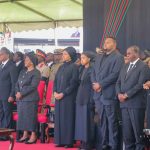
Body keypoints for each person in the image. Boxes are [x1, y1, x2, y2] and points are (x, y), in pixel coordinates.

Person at [91, 37, 124, 150]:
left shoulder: (118, 57)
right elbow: (93, 71)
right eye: (105, 42)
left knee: (112, 121)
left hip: (109, 94)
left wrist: (100, 84)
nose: (105, 44)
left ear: (114, 44)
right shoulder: (99, 56)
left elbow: (115, 74)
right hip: (98, 95)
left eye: (108, 42)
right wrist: (95, 83)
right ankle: (104, 144)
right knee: (102, 121)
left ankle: (113, 145)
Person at [116, 46, 149, 150]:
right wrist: (119, 94)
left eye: (129, 53)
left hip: (136, 104)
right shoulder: (125, 66)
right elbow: (118, 82)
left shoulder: (143, 66)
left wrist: (126, 95)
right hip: (124, 104)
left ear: (136, 53)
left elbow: (140, 84)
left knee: (137, 131)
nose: (127, 55)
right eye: (127, 53)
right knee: (127, 132)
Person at [54, 47, 79, 148]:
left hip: (68, 97)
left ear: (70, 55)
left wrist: (63, 93)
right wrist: (55, 92)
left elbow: (74, 83)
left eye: (64, 54)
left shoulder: (74, 67)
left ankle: (68, 141)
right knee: (59, 119)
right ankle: (60, 140)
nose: (62, 56)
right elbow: (55, 81)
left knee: (67, 118)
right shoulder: (61, 67)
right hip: (58, 96)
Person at [15, 52, 41, 144]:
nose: (25, 61)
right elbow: (17, 83)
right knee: (22, 117)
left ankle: (33, 135)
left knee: (31, 117)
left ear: (32, 62)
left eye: (26, 60)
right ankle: (25, 135)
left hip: (31, 98)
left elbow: (33, 86)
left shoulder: (36, 72)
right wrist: (17, 92)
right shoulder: (22, 71)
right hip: (21, 98)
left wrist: (21, 93)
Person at [75, 51, 95, 150]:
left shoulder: (92, 69)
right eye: (81, 57)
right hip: (80, 96)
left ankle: (88, 144)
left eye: (83, 58)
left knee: (88, 121)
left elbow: (93, 86)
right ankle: (82, 142)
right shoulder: (81, 69)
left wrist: (92, 99)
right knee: (81, 121)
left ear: (89, 59)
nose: (81, 59)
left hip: (88, 97)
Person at [0, 47, 18, 130]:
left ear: (7, 55)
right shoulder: (1, 65)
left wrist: (12, 95)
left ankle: (6, 133)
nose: (0, 56)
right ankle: (1, 131)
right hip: (1, 94)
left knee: (7, 113)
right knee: (1, 113)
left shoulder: (11, 66)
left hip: (7, 95)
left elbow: (14, 82)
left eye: (1, 54)